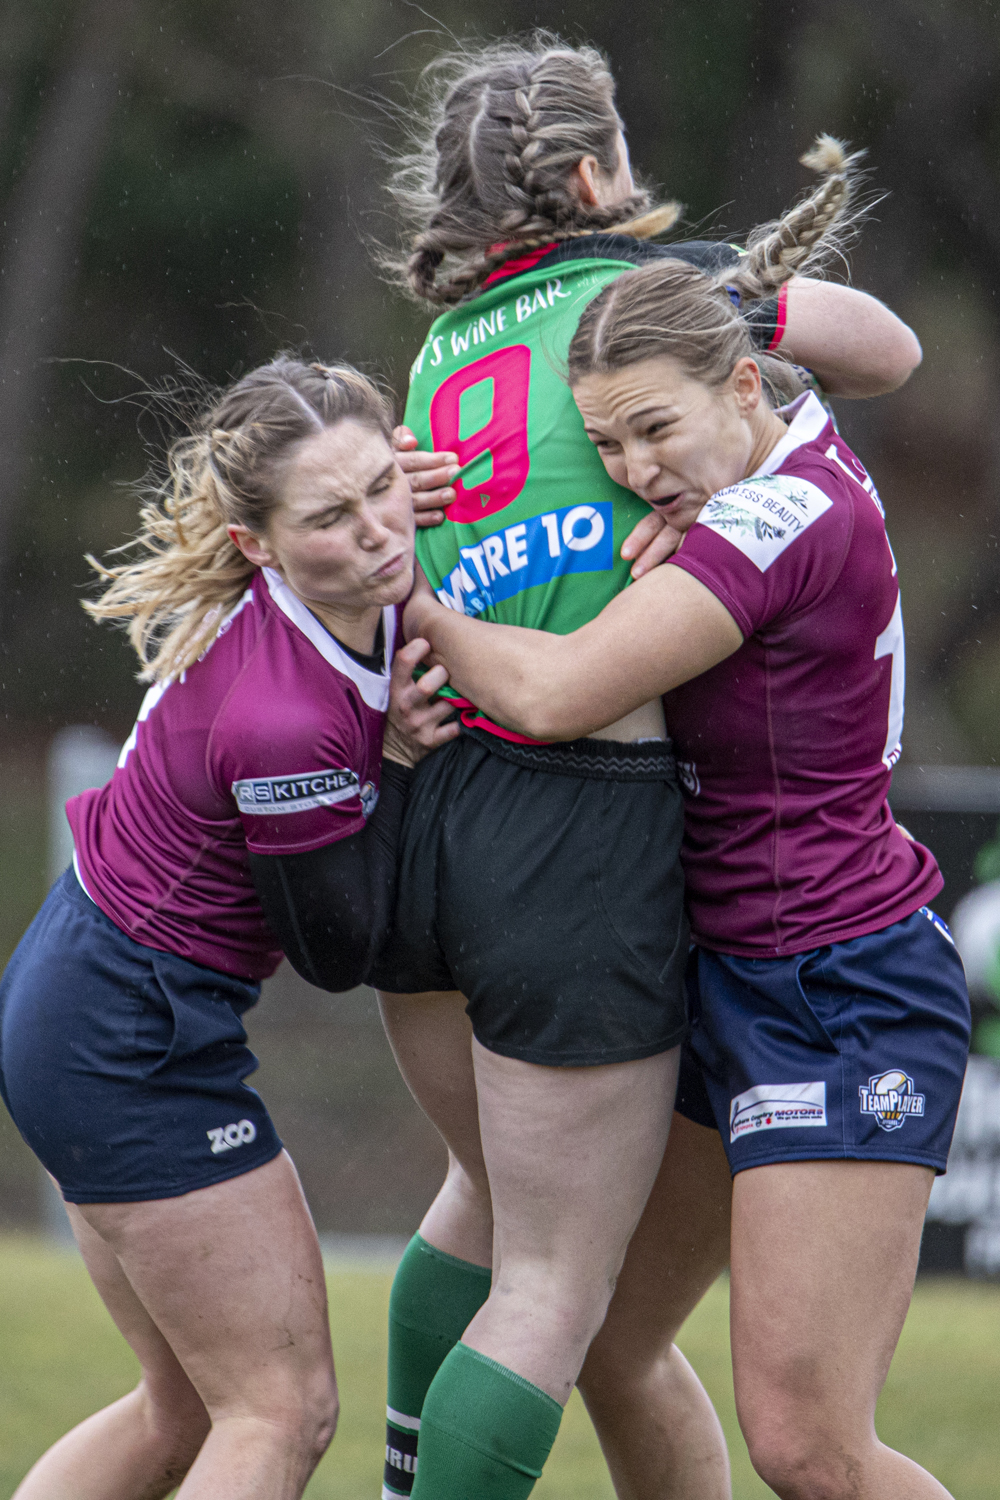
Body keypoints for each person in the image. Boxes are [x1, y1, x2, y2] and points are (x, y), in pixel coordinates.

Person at [372, 34, 925, 1500]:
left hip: (453, 803)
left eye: (646, 438)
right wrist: (742, 308)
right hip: (606, 839)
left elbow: (511, 614)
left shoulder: (438, 359)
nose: (631, 464)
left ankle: (408, 1461)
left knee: (515, 1232)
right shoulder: (656, 313)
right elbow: (890, 352)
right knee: (564, 1294)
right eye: (615, 442)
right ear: (592, 173)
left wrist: (401, 568)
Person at [0, 356, 456, 1500]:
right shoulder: (284, 721)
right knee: (281, 1411)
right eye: (329, 517)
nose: (377, 533)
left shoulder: (340, 573)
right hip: (121, 1042)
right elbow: (337, 952)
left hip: (77, 1003)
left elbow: (379, 507)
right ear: (257, 544)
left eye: (382, 487)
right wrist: (398, 763)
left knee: (188, 1414)